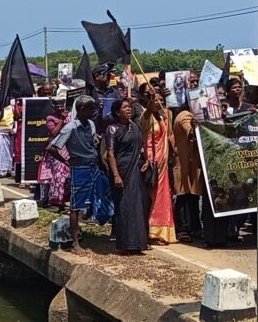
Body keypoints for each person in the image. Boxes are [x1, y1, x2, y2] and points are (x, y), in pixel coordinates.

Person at [47, 95, 113, 255]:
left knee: (106, 192)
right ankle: (75, 243)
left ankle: (103, 222)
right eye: (90, 109)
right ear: (82, 109)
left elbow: (92, 143)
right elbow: (52, 148)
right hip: (79, 168)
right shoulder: (70, 128)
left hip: (93, 166)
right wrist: (66, 161)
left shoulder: (90, 124)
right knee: (76, 206)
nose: (93, 112)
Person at [106, 99, 150, 254]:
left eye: (129, 107)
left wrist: (146, 160)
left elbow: (140, 146)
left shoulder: (135, 126)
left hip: (136, 170)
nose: (129, 109)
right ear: (117, 112)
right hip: (122, 171)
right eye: (125, 107)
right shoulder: (112, 129)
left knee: (140, 205)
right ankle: (126, 244)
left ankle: (139, 243)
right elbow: (110, 154)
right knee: (125, 206)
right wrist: (116, 175)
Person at [140, 91, 176, 245]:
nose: (158, 102)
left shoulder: (162, 117)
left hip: (163, 162)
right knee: (153, 195)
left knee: (163, 195)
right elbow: (148, 112)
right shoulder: (146, 116)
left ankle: (163, 231)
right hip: (152, 162)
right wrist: (151, 104)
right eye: (155, 100)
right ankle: (153, 232)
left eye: (160, 100)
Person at [171, 105, 204, 242]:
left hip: (189, 163)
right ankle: (184, 229)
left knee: (191, 196)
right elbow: (190, 132)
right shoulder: (185, 115)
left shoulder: (180, 116)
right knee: (184, 196)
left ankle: (193, 227)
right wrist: (197, 126)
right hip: (185, 164)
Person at [37, 97, 71, 209]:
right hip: (56, 149)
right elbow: (54, 133)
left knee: (67, 175)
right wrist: (61, 120)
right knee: (58, 174)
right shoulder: (50, 119)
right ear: (53, 107)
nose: (60, 109)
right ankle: (56, 200)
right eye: (58, 107)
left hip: (68, 148)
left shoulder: (70, 117)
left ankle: (64, 199)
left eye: (62, 106)